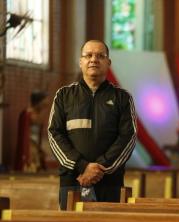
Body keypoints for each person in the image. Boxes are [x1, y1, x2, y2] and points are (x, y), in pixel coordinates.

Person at [48, 40, 137, 210]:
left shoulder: (122, 98)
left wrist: (99, 169)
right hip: (72, 182)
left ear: (108, 63)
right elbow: (54, 134)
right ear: (80, 62)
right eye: (88, 55)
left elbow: (128, 137)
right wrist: (82, 166)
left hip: (110, 184)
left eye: (100, 56)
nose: (93, 60)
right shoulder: (64, 95)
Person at [15, 90, 49, 172]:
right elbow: (24, 135)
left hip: (36, 144)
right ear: (38, 102)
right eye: (43, 104)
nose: (44, 107)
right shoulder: (26, 114)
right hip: (29, 145)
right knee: (30, 168)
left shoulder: (39, 113)